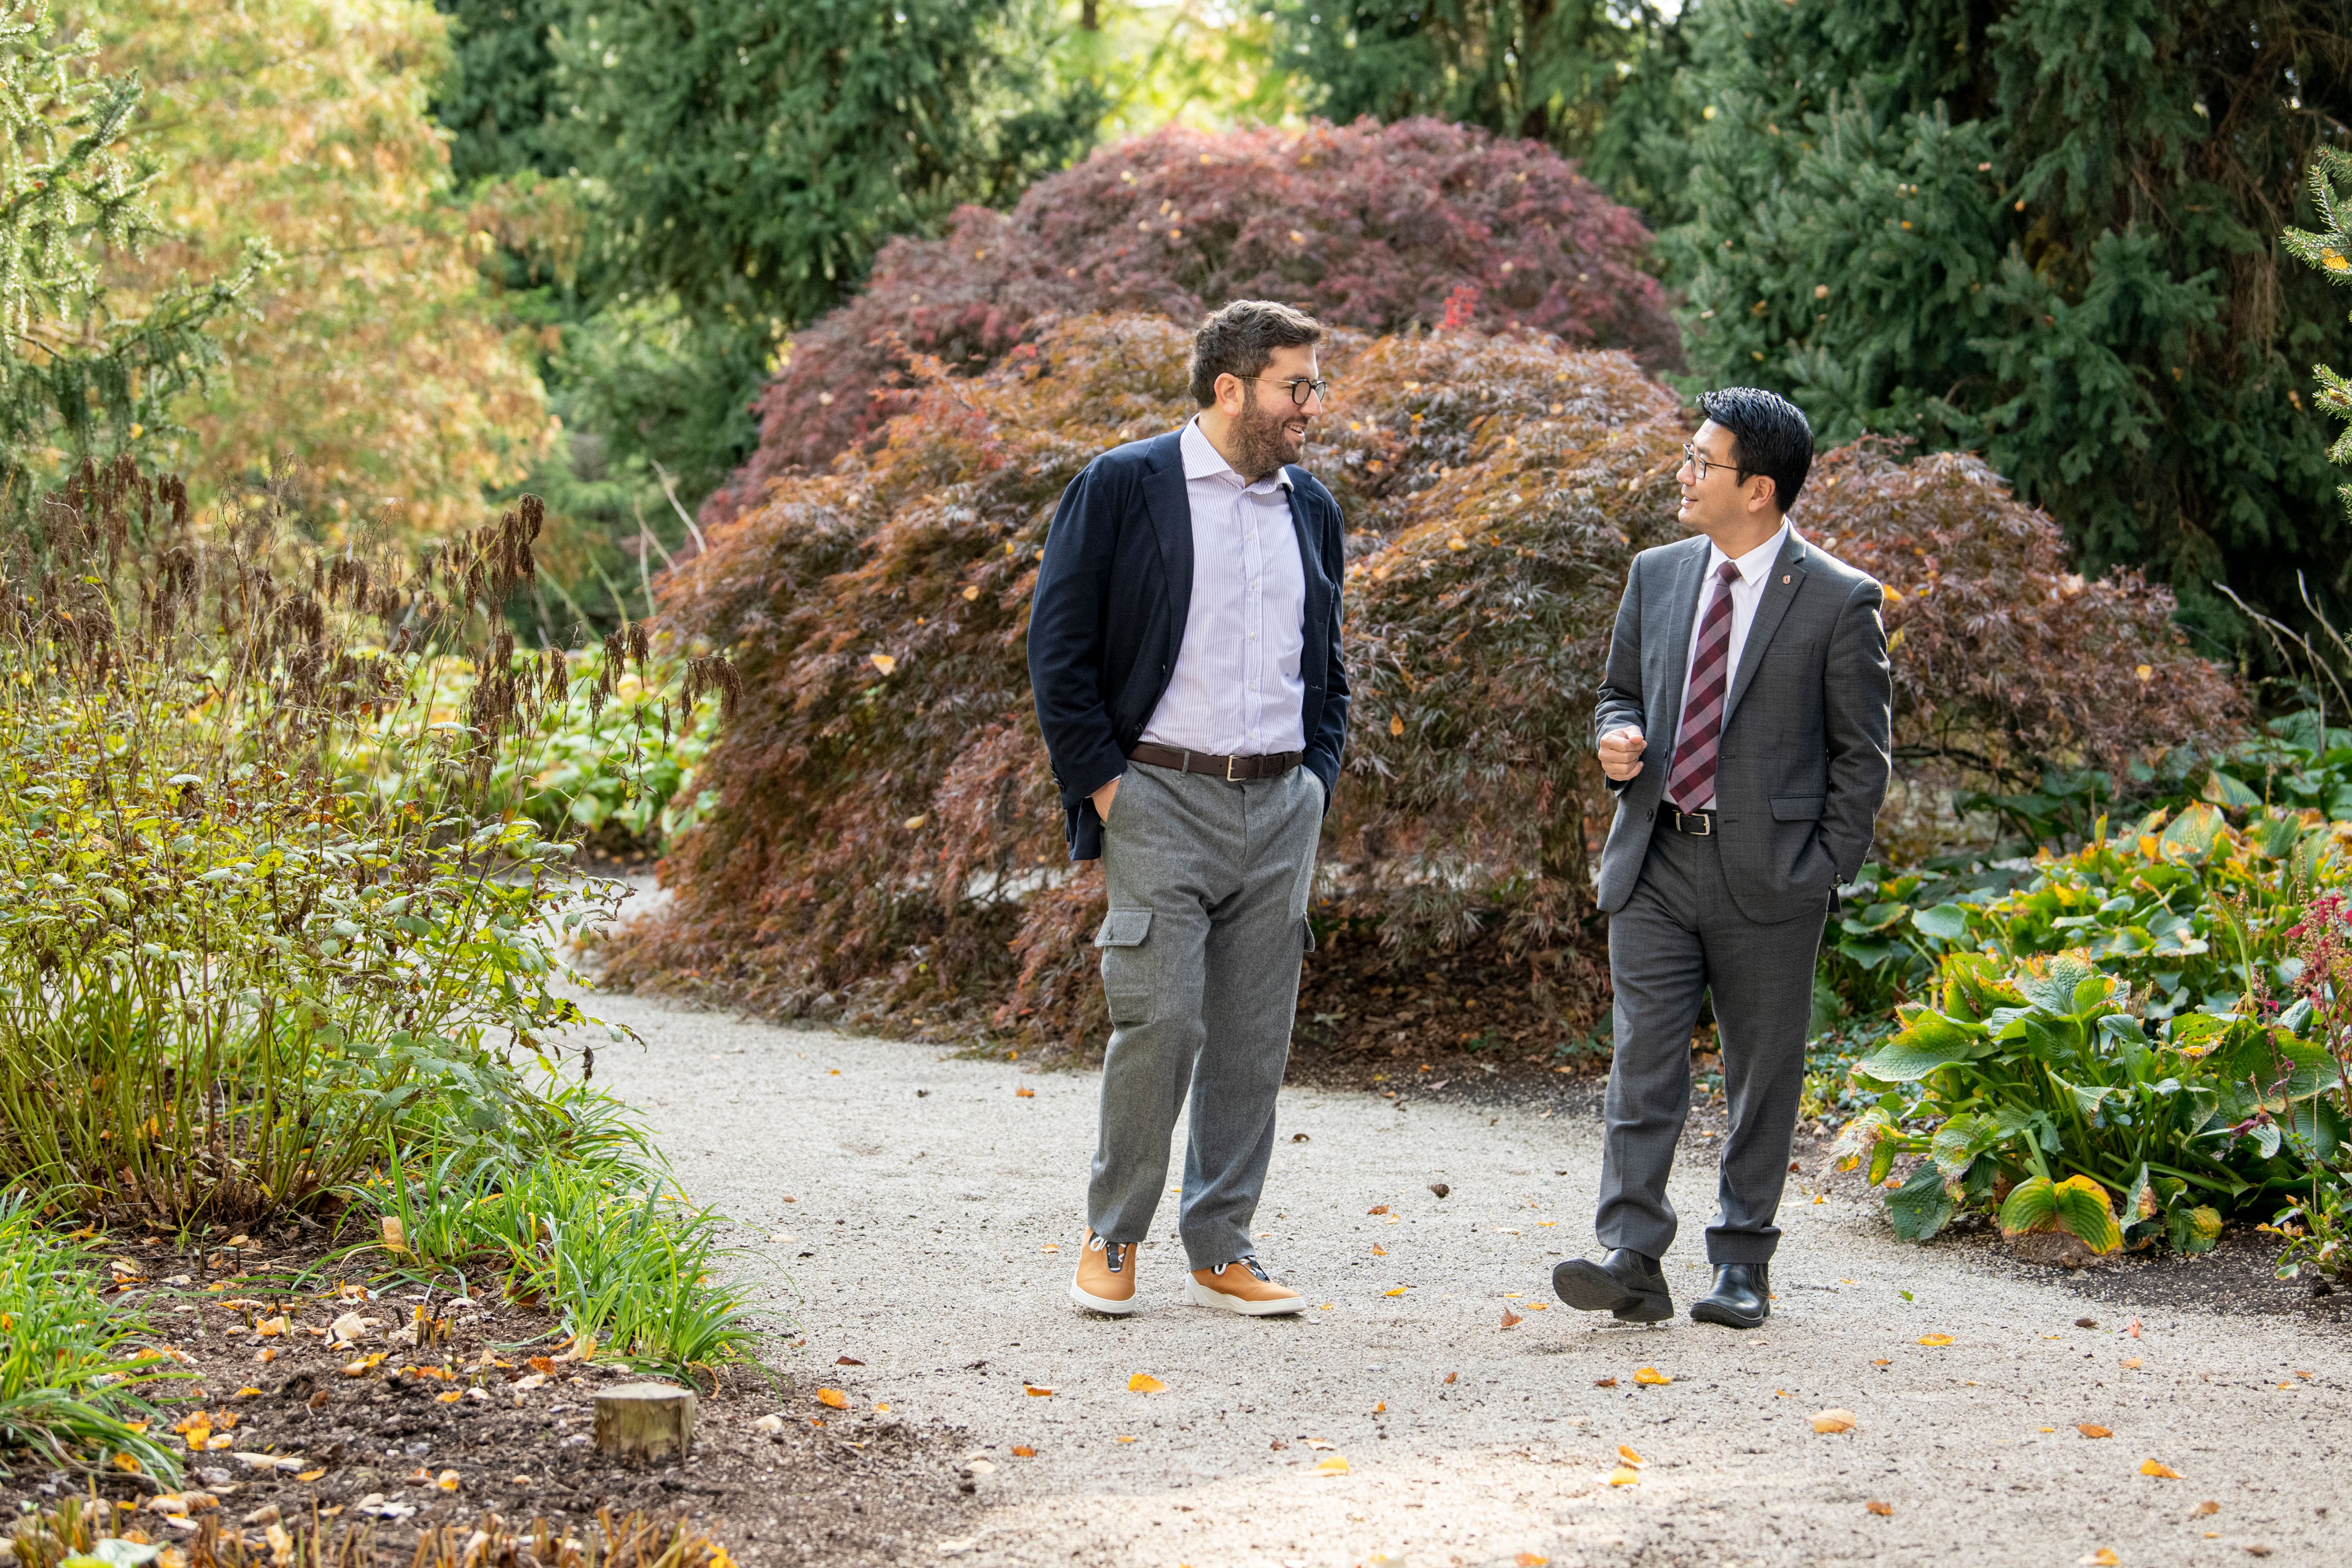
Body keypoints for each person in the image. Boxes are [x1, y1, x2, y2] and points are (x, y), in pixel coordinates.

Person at [1027, 300, 1350, 1319]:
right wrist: (1109, 788)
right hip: (1158, 794)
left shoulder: (1311, 508)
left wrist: (1317, 778)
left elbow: (1327, 665)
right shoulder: (1125, 486)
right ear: (1230, 388)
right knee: (1160, 1019)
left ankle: (1221, 1244)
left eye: (1314, 385)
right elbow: (1058, 650)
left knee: (1254, 1038)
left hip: (1279, 801)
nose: (1312, 405)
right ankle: (1112, 1233)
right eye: (1295, 386)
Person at [1554, 387, 1891, 1330]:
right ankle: (1631, 1255)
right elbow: (1618, 691)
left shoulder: (1837, 599)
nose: (1683, 471)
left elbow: (1864, 757)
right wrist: (1618, 736)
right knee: (1642, 1063)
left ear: (1759, 489)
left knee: (1762, 1074)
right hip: (1654, 859)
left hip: (1772, 877)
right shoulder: (1657, 575)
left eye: (1702, 461)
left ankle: (1743, 1262)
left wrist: (1821, 866)